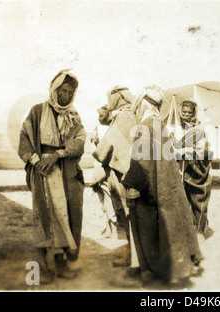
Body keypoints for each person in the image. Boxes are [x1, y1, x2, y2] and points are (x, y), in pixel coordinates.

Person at [121, 86, 204, 285]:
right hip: (165, 184)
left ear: (143, 104)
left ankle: (154, 273)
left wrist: (132, 184)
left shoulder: (146, 125)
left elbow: (141, 162)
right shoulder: (160, 124)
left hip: (151, 187)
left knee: (149, 228)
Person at [18, 69, 86, 280]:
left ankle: (61, 263)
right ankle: (40, 268)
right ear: (55, 90)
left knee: (64, 217)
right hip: (42, 172)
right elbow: (25, 137)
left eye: (70, 92)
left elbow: (79, 140)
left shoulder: (73, 116)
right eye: (63, 91)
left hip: (64, 172)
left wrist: (58, 155)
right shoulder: (37, 111)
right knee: (44, 216)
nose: (65, 96)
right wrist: (38, 162)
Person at [91, 86, 139, 270]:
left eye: (110, 97)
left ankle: (134, 259)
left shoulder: (124, 117)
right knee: (125, 216)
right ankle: (132, 254)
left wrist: (100, 157)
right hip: (121, 173)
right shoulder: (125, 114)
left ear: (118, 98)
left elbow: (111, 145)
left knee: (128, 216)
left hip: (123, 175)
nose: (108, 100)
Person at [174, 100, 213, 243]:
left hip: (196, 167)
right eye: (184, 112)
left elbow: (205, 150)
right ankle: (185, 229)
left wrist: (188, 151)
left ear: (194, 113)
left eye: (189, 112)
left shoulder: (200, 129)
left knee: (199, 198)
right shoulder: (175, 127)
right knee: (182, 198)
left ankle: (200, 230)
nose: (186, 115)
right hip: (180, 167)